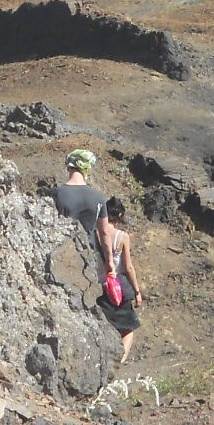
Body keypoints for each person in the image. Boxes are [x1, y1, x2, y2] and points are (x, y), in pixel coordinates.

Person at [53, 148, 114, 276]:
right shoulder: (99, 197)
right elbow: (104, 232)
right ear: (87, 168)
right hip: (88, 255)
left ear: (69, 167)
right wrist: (109, 262)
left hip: (61, 254)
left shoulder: (57, 193)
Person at [95, 196, 142, 363]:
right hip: (117, 287)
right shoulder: (121, 236)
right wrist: (137, 291)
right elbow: (128, 267)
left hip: (97, 286)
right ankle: (118, 364)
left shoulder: (94, 232)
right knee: (128, 329)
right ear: (120, 216)